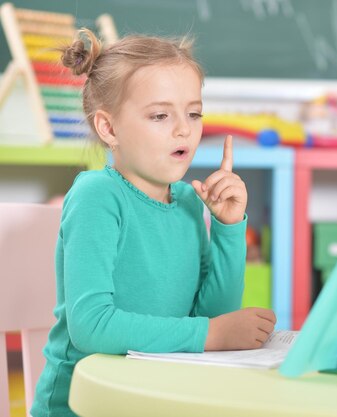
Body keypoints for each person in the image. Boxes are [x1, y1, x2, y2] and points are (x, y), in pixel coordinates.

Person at [31, 29, 276, 417]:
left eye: (193, 113)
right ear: (108, 128)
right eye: (161, 115)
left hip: (156, 397)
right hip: (82, 407)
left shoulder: (187, 202)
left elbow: (213, 317)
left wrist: (229, 229)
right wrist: (211, 335)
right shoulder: (97, 195)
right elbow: (91, 326)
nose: (183, 128)